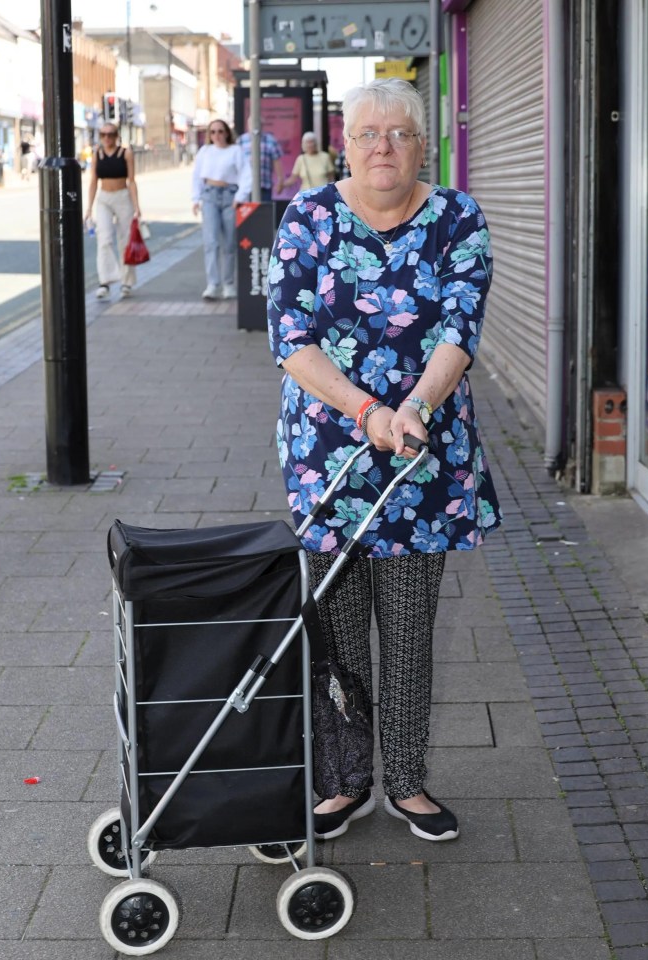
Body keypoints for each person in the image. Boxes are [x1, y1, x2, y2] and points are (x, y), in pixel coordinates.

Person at [267, 78, 502, 843]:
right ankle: (345, 781)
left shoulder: (457, 217)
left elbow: (459, 330)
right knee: (335, 628)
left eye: (400, 133)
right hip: (329, 452)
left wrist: (415, 410)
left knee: (406, 627)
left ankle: (405, 780)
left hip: (419, 458)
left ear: (421, 144)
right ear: (346, 142)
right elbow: (290, 342)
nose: (383, 146)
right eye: (368, 132)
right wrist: (365, 410)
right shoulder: (307, 217)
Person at [192, 119, 251, 300]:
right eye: (212, 132)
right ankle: (212, 284)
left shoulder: (236, 151)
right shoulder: (205, 151)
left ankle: (228, 284)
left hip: (229, 196)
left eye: (220, 131)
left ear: (227, 133)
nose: (216, 135)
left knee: (230, 243)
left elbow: (246, 175)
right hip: (209, 196)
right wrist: (195, 198)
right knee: (211, 242)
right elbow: (196, 176)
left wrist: (240, 197)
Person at [84, 123, 142, 301]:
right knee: (104, 239)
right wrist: (89, 208)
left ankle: (127, 282)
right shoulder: (97, 154)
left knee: (125, 241)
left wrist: (137, 206)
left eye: (110, 134)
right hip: (104, 199)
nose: (106, 138)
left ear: (116, 136)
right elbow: (93, 181)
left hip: (123, 197)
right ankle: (105, 281)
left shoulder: (126, 153)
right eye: (103, 135)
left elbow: (131, 180)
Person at [236, 129, 284, 201]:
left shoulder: (270, 140)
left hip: (264, 185)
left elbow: (276, 160)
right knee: (246, 211)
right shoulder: (241, 140)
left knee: (264, 211)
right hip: (244, 187)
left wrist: (280, 180)